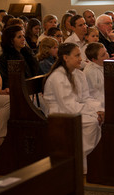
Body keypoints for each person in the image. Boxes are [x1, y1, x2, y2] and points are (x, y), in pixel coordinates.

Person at [43, 43, 104, 174]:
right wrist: (93, 114)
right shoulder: (58, 77)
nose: (80, 59)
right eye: (77, 55)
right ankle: (80, 160)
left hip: (73, 110)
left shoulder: (78, 74)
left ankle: (93, 159)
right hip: (59, 114)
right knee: (92, 122)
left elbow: (85, 97)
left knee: (101, 117)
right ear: (65, 57)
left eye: (80, 55)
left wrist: (98, 110)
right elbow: (68, 105)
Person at [83, 42, 109, 108]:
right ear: (94, 60)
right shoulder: (90, 72)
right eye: (103, 55)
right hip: (97, 104)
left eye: (106, 52)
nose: (107, 55)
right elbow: (95, 94)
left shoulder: (104, 65)